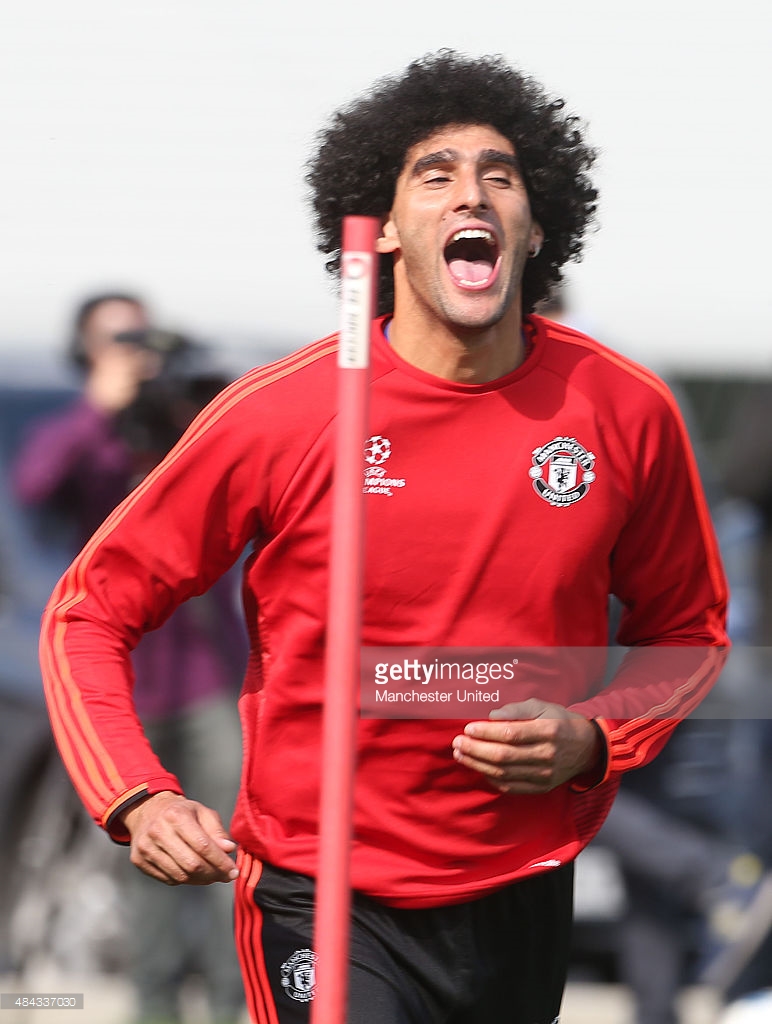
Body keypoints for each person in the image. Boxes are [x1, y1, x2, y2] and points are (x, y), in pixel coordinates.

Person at [38, 52, 729, 1024]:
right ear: (388, 227)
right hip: (321, 889)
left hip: (523, 883)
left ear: (536, 227)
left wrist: (596, 737)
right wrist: (134, 794)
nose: (471, 194)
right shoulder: (282, 412)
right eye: (434, 175)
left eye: (500, 175)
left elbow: (688, 631)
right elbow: (88, 610)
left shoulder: (623, 407)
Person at [13, 293, 246, 1023]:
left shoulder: (180, 426)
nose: (136, 352)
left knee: (233, 850)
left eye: (144, 337)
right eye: (117, 340)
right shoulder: (82, 438)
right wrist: (98, 411)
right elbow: (33, 487)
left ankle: (234, 1005)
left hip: (210, 679)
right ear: (86, 354)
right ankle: (155, 1009)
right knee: (147, 859)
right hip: (124, 691)